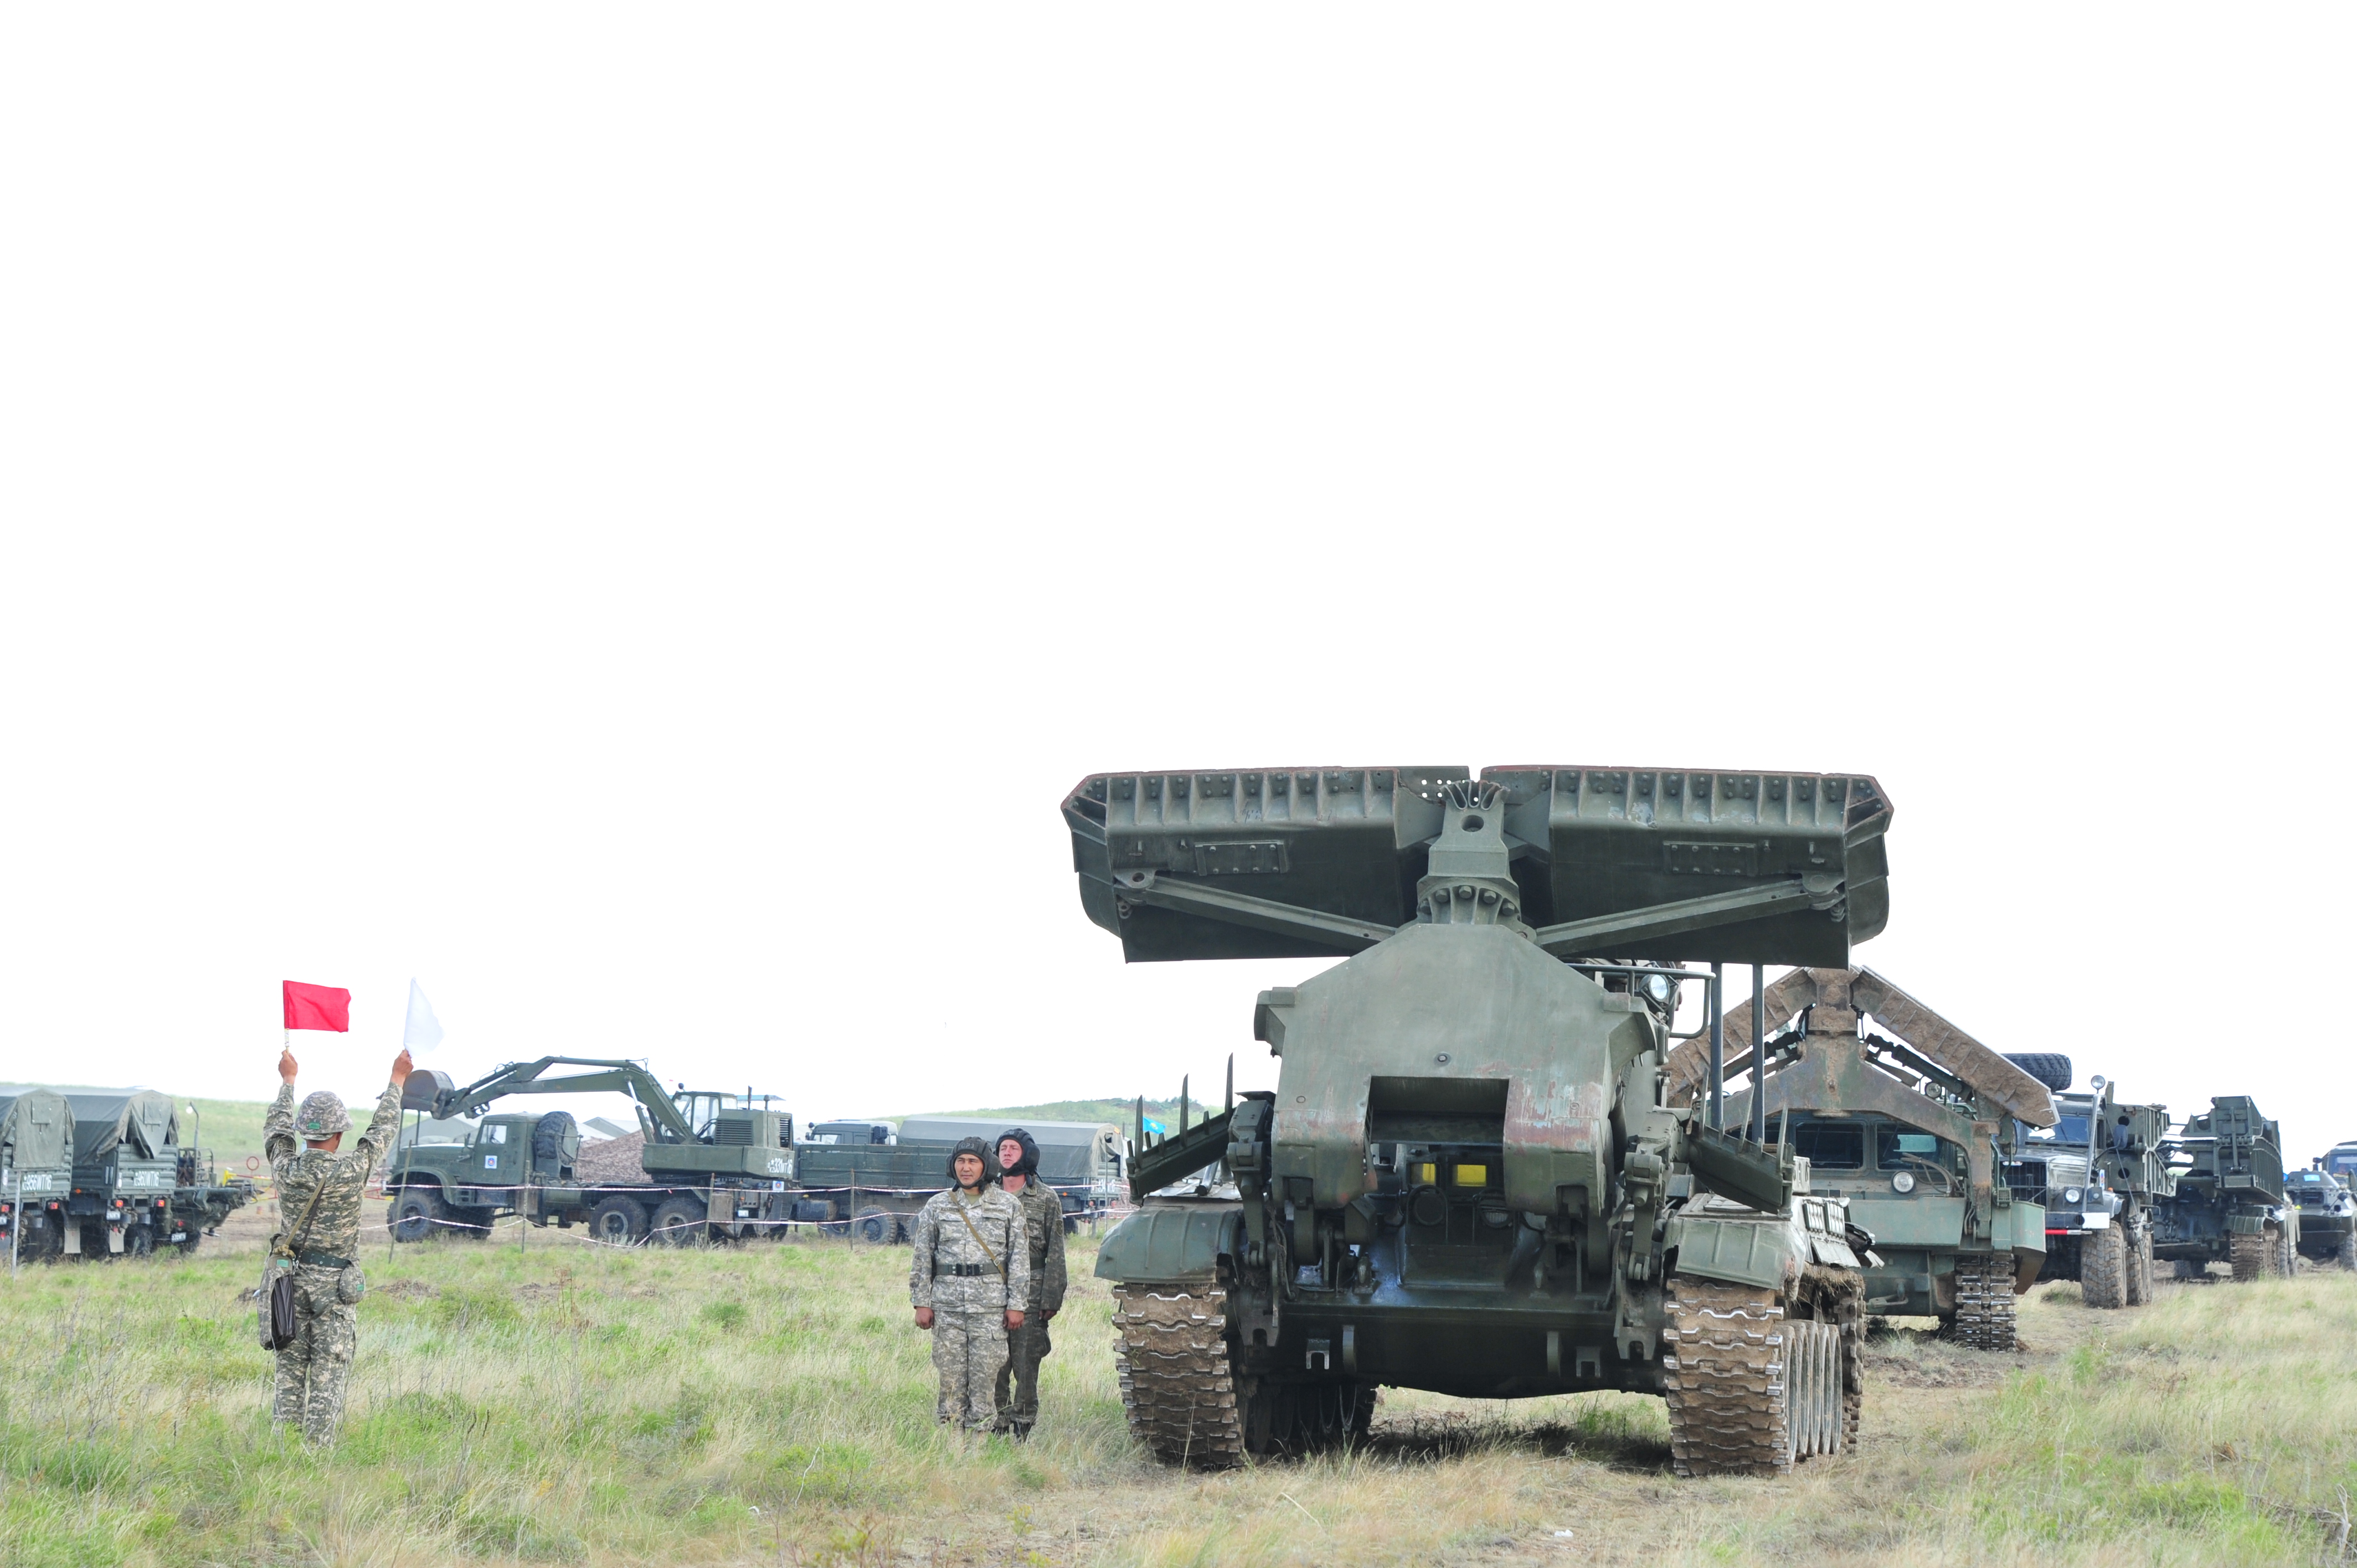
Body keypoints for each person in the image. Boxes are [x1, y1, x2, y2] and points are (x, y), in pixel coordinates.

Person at [264, 1044, 411, 1443]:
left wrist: (287, 1081)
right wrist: (397, 1080)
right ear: (340, 1133)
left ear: (304, 1133)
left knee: (289, 1370)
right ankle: (317, 1455)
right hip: (335, 1287)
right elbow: (381, 1133)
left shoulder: (285, 1169)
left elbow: (276, 1132)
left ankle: (282, 1451)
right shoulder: (351, 1171)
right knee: (328, 1372)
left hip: (289, 1282)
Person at [907, 1136, 1029, 1433]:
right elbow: (923, 1256)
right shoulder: (937, 1206)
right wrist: (921, 1302)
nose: (966, 1168)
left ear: (986, 1166)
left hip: (990, 1312)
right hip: (947, 1310)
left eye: (973, 1162)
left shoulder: (1008, 1206)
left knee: (985, 1384)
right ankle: (951, 1445)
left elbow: (1019, 1258)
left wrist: (1017, 1304)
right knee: (950, 1384)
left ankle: (979, 1445)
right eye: (961, 1161)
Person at [992, 1128, 1067, 1439]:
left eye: (1014, 1148)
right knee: (993, 1364)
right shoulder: (986, 1196)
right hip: (991, 1292)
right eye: (1003, 1148)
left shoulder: (1046, 1198)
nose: (1007, 1153)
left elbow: (1056, 1252)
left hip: (1032, 1295)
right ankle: (996, 1423)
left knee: (1026, 1364)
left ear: (1027, 1155)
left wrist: (1051, 1298)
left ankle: (1023, 1427)